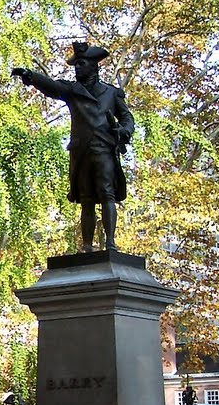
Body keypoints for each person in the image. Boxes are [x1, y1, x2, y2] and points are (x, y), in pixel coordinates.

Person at [12, 42, 134, 252]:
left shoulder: (111, 93)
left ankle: (110, 243)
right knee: (86, 198)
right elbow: (52, 86)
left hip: (103, 148)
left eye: (81, 63)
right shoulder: (72, 90)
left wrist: (123, 130)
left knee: (107, 194)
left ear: (93, 67)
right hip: (81, 151)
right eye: (76, 64)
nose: (77, 67)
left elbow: (127, 117)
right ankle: (87, 246)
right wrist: (30, 76)